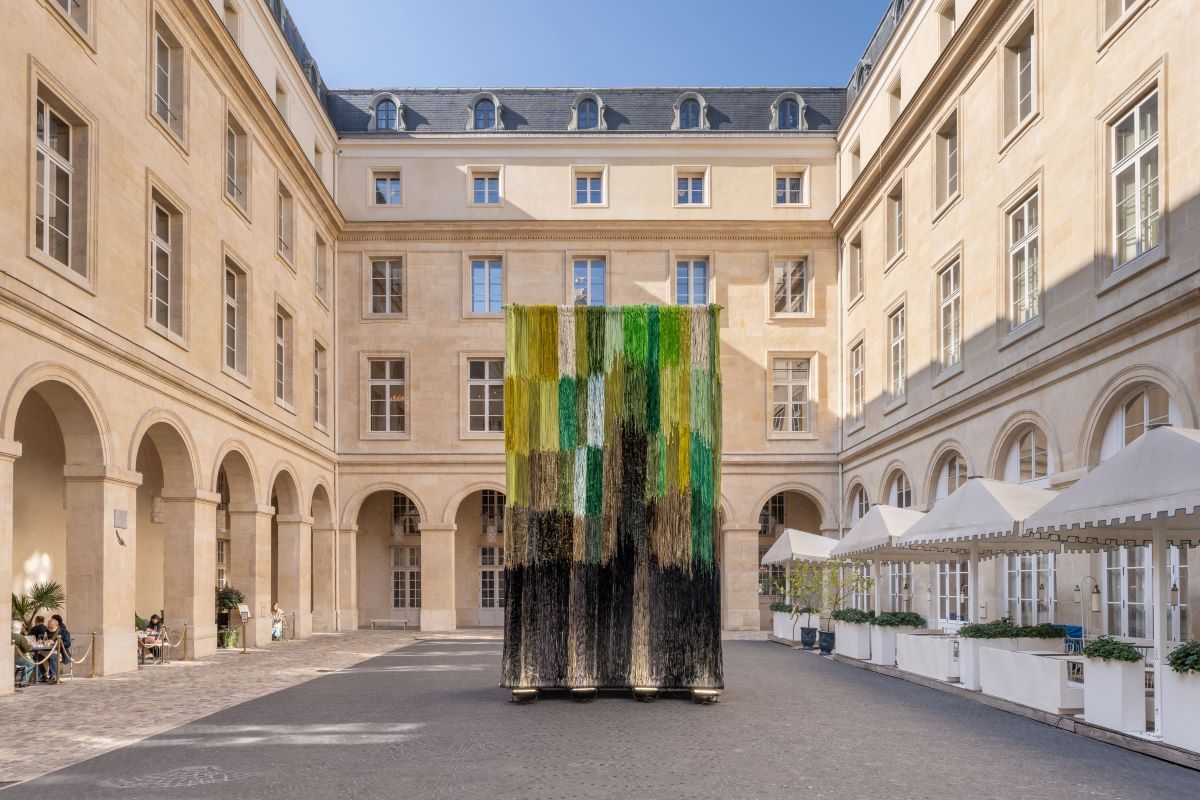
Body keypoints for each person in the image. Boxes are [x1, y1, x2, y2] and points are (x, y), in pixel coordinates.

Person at [12, 620, 34, 690]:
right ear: (20, 628)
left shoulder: (6, 635)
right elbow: (27, 649)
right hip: (17, 658)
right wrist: (31, 645)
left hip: (8, 657)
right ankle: (23, 682)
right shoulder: (20, 637)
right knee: (32, 663)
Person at [41, 617, 63, 683]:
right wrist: (43, 641)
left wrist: (56, 643)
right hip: (46, 651)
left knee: (53, 656)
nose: (49, 629)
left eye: (52, 628)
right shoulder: (45, 632)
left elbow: (67, 643)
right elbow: (41, 639)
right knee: (36, 657)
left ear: (56, 626)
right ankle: (44, 674)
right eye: (48, 627)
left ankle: (52, 676)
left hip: (57, 651)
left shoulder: (63, 632)